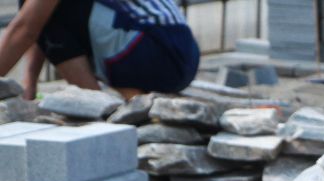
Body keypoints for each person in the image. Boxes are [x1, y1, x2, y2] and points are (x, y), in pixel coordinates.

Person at [0, 0, 200, 101]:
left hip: (157, 48)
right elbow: (37, 22)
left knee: (46, 10)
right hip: (179, 52)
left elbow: (25, 29)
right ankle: (130, 97)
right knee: (41, 10)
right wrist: (29, 85)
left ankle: (96, 108)